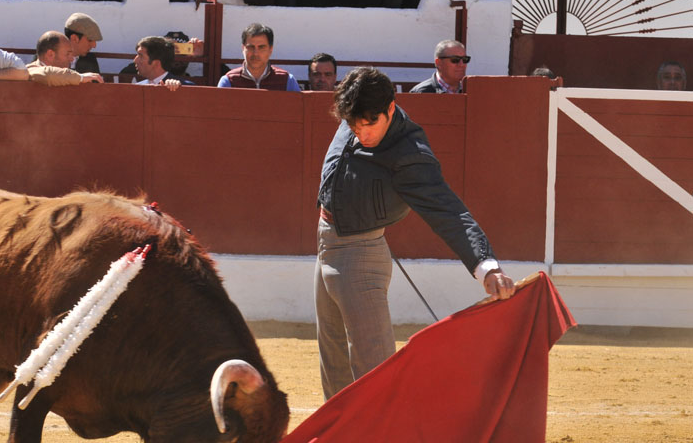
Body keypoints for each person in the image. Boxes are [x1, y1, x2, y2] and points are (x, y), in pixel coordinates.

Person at [315, 67, 514, 400]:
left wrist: (486, 266)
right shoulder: (360, 108)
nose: (361, 133)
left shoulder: (409, 153)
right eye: (353, 125)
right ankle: (341, 432)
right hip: (326, 243)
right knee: (332, 354)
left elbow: (448, 210)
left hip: (359, 255)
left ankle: (385, 433)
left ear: (390, 109)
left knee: (375, 367)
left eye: (369, 124)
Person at [217, 23, 301, 91]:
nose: (256, 53)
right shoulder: (229, 81)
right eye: (251, 47)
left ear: (270, 49)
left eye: (261, 47)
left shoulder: (287, 81)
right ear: (243, 48)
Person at [27, 31, 103, 86]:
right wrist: (81, 77)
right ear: (50, 54)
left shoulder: (66, 76)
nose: (72, 59)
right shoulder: (30, 70)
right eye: (67, 54)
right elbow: (48, 74)